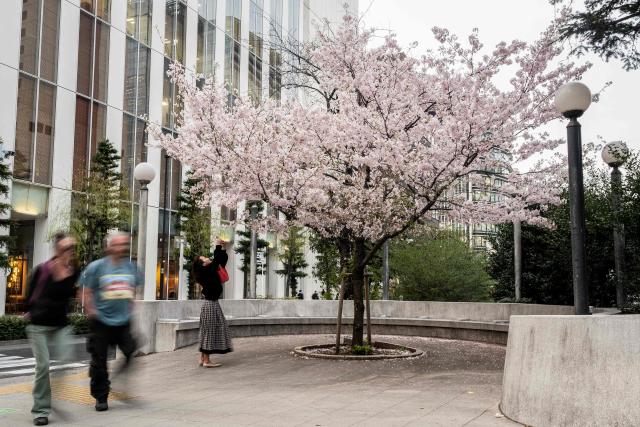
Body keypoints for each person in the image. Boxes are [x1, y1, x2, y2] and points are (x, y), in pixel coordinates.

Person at [81, 231, 140, 412]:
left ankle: (117, 377)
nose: (121, 248)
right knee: (100, 361)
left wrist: (130, 305)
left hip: (123, 321)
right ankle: (101, 396)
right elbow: (86, 291)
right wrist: (91, 310)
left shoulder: (131, 267)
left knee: (131, 351)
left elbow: (134, 288)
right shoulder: (96, 267)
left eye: (124, 245)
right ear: (109, 246)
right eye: (118, 244)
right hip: (101, 321)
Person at [25, 232, 79, 426]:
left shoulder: (74, 270)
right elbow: (30, 293)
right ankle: (41, 409)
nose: (70, 252)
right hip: (38, 325)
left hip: (60, 324)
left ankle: (51, 392)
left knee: (65, 359)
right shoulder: (43, 270)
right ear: (57, 250)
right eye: (66, 248)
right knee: (43, 365)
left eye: (72, 248)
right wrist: (28, 311)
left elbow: (73, 294)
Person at [191, 243, 232, 368]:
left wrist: (223, 248)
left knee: (209, 330)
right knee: (209, 330)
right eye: (204, 258)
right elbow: (217, 260)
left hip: (212, 303)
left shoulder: (209, 270)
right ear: (202, 264)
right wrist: (217, 246)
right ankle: (206, 361)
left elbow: (222, 260)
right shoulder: (205, 271)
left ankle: (203, 358)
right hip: (210, 304)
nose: (206, 258)